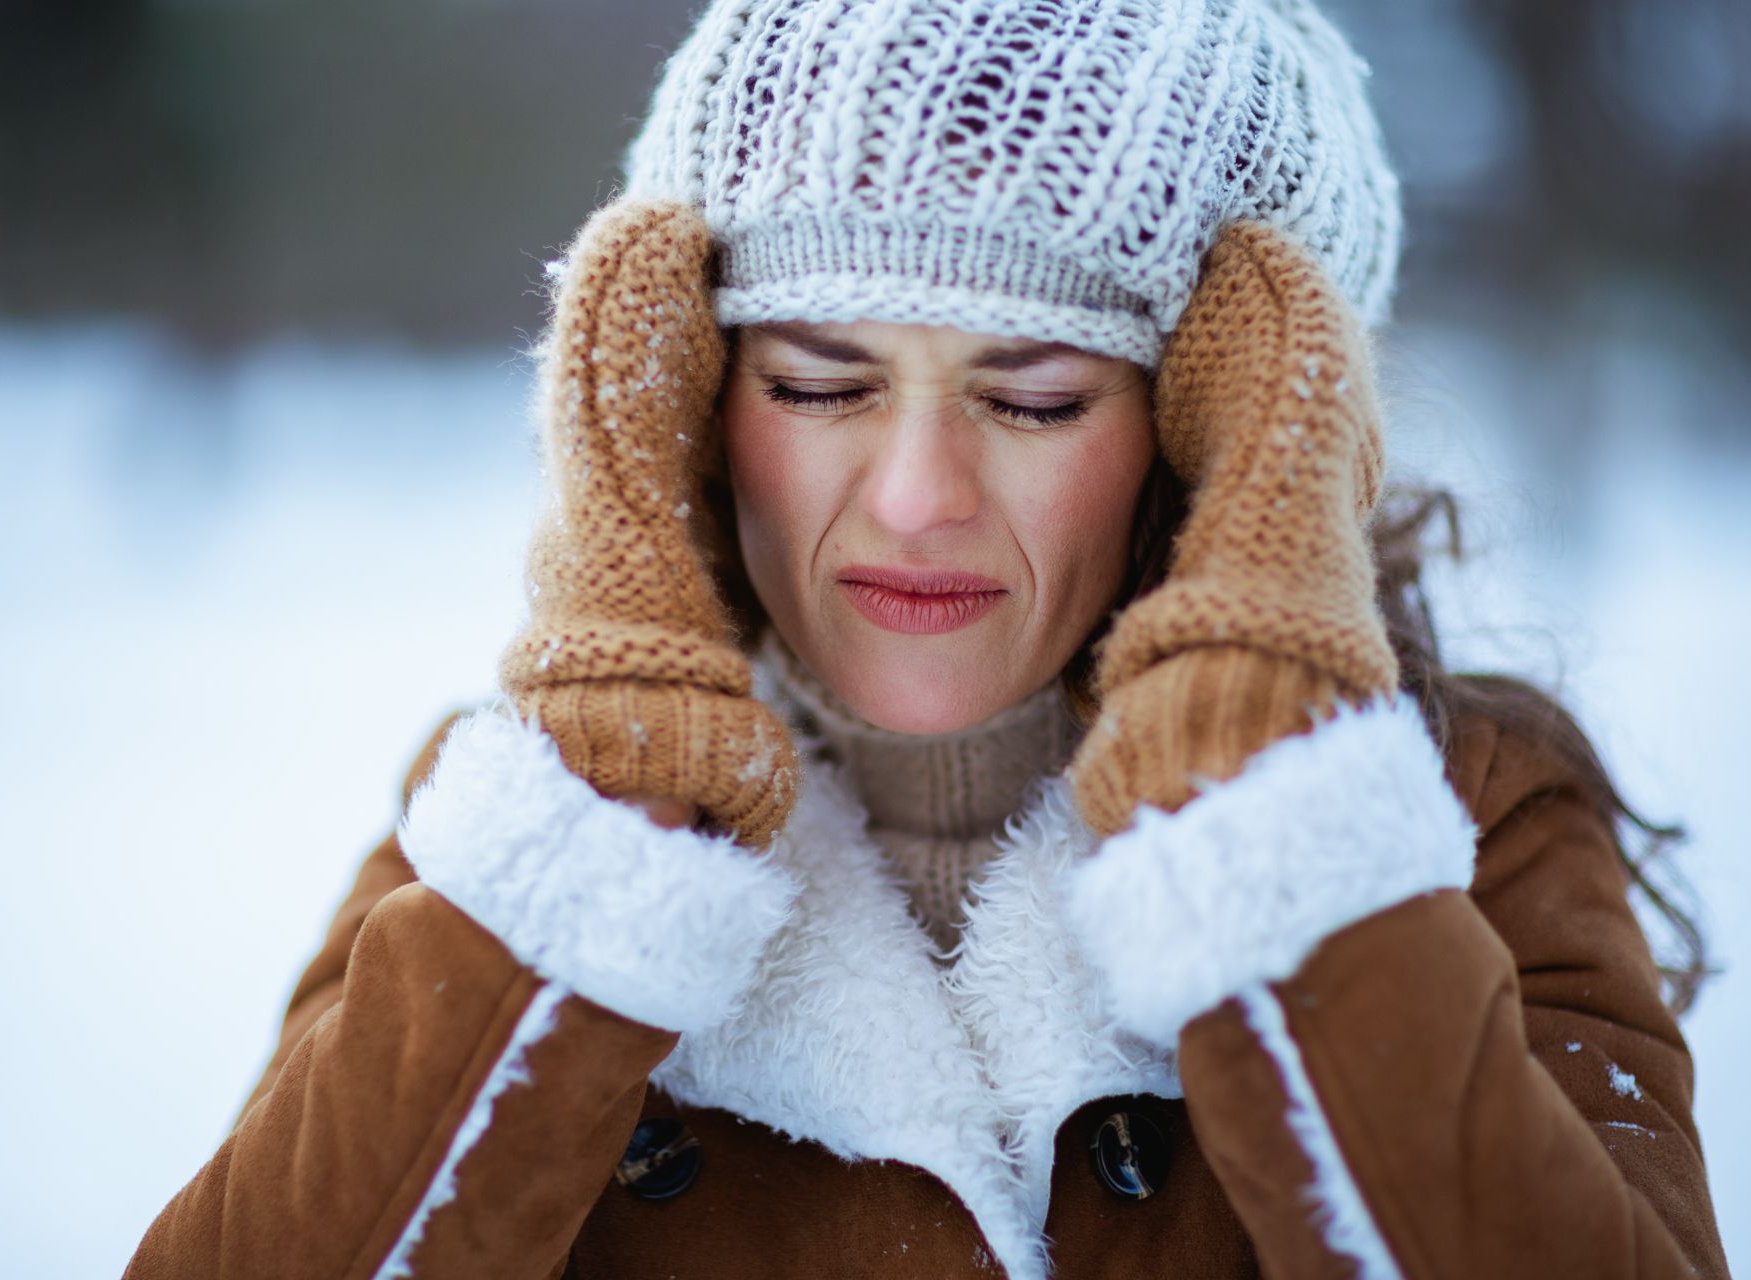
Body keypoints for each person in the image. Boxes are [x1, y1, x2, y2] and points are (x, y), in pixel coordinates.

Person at [126, 1, 1729, 1276]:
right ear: (689, 386)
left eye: (1033, 397)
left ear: (1224, 427)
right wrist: (606, 838)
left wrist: (1266, 801)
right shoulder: (520, 834)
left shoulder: (1461, 822)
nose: (911, 497)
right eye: (818, 385)